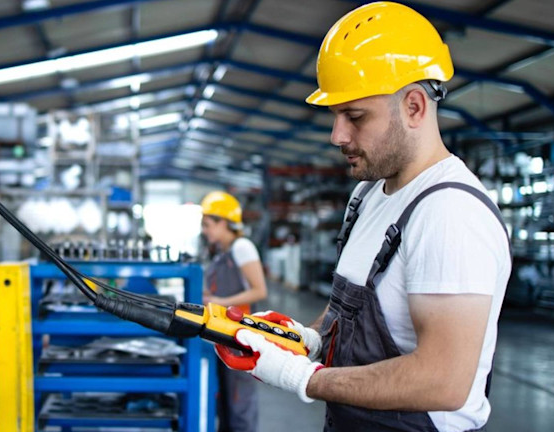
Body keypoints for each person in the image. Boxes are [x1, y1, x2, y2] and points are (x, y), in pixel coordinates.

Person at [216, 3, 512, 432]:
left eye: (354, 116)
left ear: (414, 107)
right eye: (336, 116)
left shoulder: (449, 213)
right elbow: (349, 314)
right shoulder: (368, 194)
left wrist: (304, 377)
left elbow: (444, 381)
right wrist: (306, 338)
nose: (337, 135)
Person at [200, 190, 267, 432]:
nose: (204, 231)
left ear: (223, 223)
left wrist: (220, 301)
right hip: (224, 336)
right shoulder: (222, 252)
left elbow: (259, 290)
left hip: (241, 338)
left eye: (208, 225)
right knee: (225, 404)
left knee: (239, 404)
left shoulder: (242, 247)